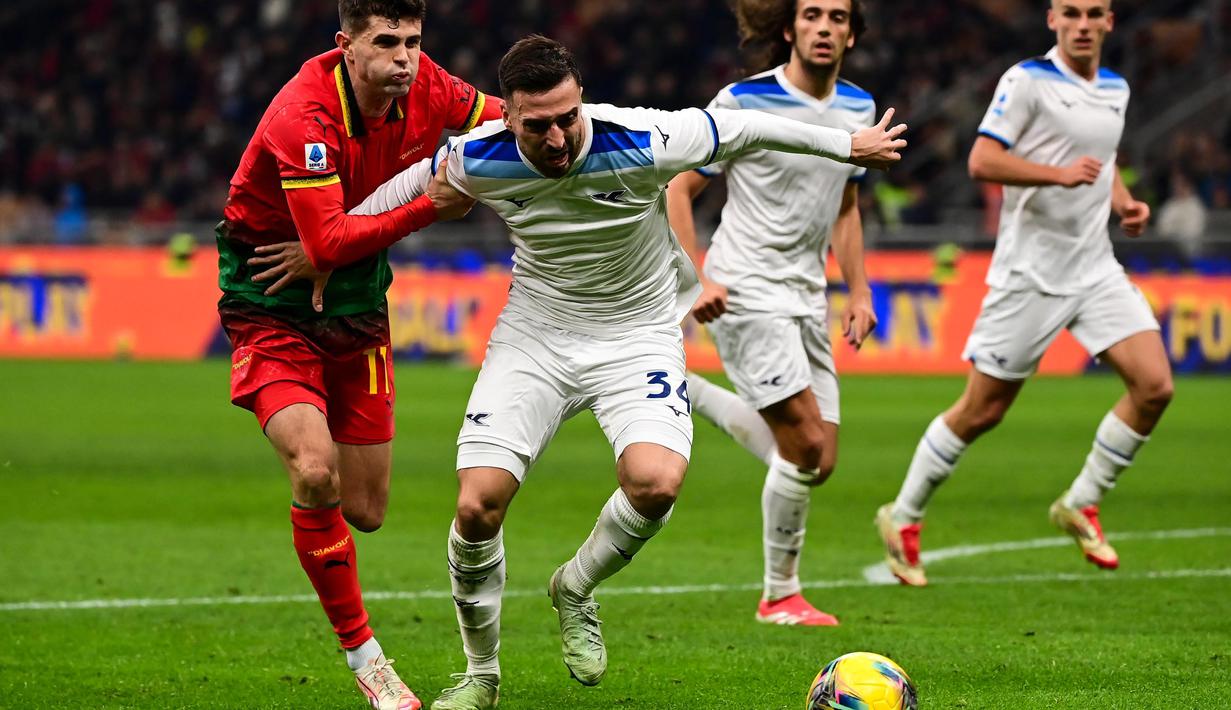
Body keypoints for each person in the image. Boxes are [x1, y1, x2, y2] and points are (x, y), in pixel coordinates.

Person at [256, 33, 904, 710]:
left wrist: (845, 146)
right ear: (506, 118)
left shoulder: (644, 138)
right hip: (535, 336)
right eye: (538, 125)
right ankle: (481, 675)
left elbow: (741, 130)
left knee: (654, 484)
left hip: (636, 336)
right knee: (477, 505)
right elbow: (408, 187)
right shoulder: (479, 157)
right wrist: (322, 249)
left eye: (568, 117)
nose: (559, 137)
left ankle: (575, 586)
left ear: (582, 101)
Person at [215, 1, 501, 707]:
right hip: (271, 307)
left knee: (366, 508)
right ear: (345, 46)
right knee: (315, 472)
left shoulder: (428, 85)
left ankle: (322, 533)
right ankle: (370, 665)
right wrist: (434, 204)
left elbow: (508, 115)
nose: (403, 57)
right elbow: (324, 246)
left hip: (359, 312)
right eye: (385, 43)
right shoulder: (303, 116)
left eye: (412, 41)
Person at [874, 0, 1172, 587]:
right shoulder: (1027, 81)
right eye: (1072, 13)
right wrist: (1057, 175)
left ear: (1111, 22)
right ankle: (902, 515)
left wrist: (1123, 204)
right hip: (1029, 274)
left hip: (1094, 268)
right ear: (1053, 20)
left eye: (1095, 14)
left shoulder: (1116, 88)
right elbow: (982, 159)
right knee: (982, 410)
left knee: (1155, 386)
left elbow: (1103, 163)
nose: (1084, 24)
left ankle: (1081, 501)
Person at [665, 0, 877, 628]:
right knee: (804, 442)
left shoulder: (860, 111)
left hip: (807, 294)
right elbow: (679, 185)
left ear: (852, 35)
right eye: (812, 14)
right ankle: (779, 595)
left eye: (838, 17)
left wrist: (859, 292)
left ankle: (686, 389)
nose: (824, 27)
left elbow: (845, 208)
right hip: (743, 286)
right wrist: (693, 278)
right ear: (789, 29)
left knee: (819, 458)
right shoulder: (740, 102)